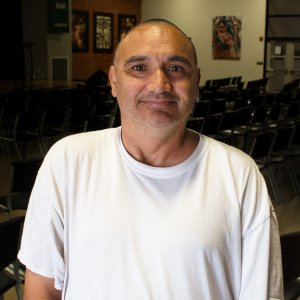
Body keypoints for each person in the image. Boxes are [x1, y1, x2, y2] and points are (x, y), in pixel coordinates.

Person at [18, 19, 283, 299]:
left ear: (196, 83)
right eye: (139, 67)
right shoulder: (67, 161)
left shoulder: (240, 174)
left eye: (176, 68)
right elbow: (43, 286)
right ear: (114, 81)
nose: (160, 83)